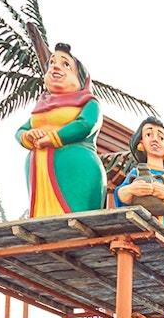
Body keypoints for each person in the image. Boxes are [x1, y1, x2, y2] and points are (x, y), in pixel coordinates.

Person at [16, 43, 106, 217]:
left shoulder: (89, 103)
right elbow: (21, 131)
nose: (55, 66)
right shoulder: (41, 107)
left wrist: (54, 137)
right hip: (39, 169)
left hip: (75, 167)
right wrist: (28, 135)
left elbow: (86, 124)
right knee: (43, 219)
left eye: (66, 64)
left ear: (81, 80)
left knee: (76, 217)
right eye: (52, 63)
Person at [114, 116, 164, 232]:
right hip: (138, 229)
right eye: (148, 135)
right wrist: (131, 190)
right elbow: (120, 195)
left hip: (162, 231)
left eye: (161, 138)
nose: (155, 140)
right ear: (141, 143)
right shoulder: (136, 173)